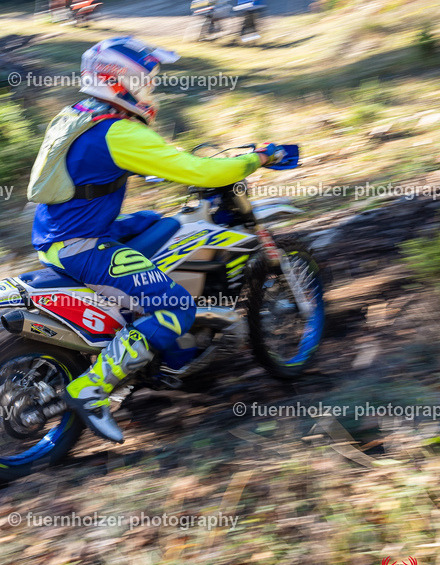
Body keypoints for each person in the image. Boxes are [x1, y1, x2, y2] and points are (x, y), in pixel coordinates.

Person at [27, 37, 285, 442]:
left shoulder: (78, 115)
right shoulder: (119, 132)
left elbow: (106, 164)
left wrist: (168, 160)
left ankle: (152, 345)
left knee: (155, 224)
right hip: (83, 246)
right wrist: (259, 158)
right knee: (176, 307)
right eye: (144, 81)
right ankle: (91, 389)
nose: (149, 89)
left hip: (62, 233)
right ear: (117, 81)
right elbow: (204, 175)